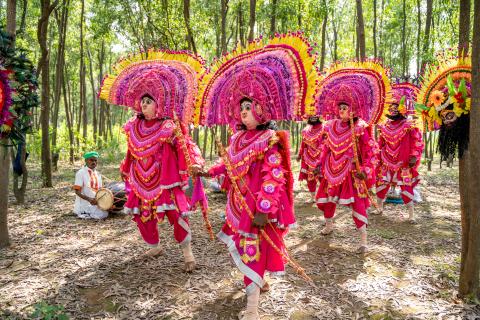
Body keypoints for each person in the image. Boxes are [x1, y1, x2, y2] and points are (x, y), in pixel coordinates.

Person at [196, 33, 317, 320]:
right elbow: (227, 164)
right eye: (241, 109)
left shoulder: (270, 139)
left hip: (258, 211)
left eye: (249, 108)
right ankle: (259, 283)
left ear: (263, 110)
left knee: (253, 252)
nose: (244, 113)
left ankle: (252, 308)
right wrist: (206, 171)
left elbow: (274, 178)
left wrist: (264, 210)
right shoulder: (237, 137)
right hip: (237, 208)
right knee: (242, 250)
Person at [99, 49, 207, 272]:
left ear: (160, 104)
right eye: (143, 101)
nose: (144, 105)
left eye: (149, 101)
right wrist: (126, 167)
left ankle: (188, 254)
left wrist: (195, 163)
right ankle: (155, 246)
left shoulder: (169, 126)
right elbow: (131, 150)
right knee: (142, 217)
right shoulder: (134, 125)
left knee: (177, 216)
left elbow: (185, 146)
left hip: (164, 182)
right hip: (140, 181)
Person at [314, 61, 389, 254]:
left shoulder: (361, 128)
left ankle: (363, 240)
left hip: (352, 173)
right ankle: (329, 226)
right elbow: (325, 148)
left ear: (353, 109)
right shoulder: (329, 126)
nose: (341, 111)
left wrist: (365, 170)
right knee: (327, 201)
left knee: (358, 204)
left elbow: (371, 151)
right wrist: (319, 165)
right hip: (331, 171)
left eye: (345, 108)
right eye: (340, 108)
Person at [375, 83, 424, 222]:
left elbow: (417, 141)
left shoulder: (410, 125)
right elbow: (380, 144)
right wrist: (377, 157)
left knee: (406, 187)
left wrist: (414, 156)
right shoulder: (384, 126)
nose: (393, 110)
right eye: (391, 108)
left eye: (396, 107)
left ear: (403, 109)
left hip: (403, 164)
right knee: (381, 184)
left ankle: (411, 215)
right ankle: (379, 208)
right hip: (386, 161)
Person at [72, 151, 108, 220]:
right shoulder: (80, 173)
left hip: (96, 202)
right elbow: (77, 191)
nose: (93, 162)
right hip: (85, 204)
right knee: (102, 214)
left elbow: (100, 190)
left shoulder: (98, 174)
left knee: (110, 208)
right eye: (91, 160)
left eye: (95, 160)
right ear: (86, 160)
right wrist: (89, 199)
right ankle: (85, 212)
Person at [297, 115, 324, 203]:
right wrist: (300, 154)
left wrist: (316, 147)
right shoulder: (306, 130)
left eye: (315, 115)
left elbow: (326, 143)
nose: (313, 117)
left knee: (322, 177)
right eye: (311, 115)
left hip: (320, 157)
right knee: (310, 178)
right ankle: (313, 196)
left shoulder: (324, 129)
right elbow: (303, 144)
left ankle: (323, 196)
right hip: (308, 157)